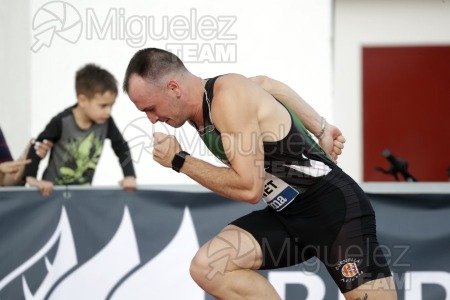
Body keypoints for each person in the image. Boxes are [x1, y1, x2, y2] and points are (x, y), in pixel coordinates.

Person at [123, 48, 397, 300]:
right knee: (209, 266)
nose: (151, 119)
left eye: (150, 108)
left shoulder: (227, 97)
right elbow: (267, 84)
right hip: (288, 218)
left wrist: (180, 160)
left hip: (335, 212)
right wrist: (321, 127)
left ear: (173, 88)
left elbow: (249, 188)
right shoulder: (211, 100)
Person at [24, 64, 137, 196]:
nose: (108, 111)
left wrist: (130, 175)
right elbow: (38, 146)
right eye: (103, 105)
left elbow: (121, 146)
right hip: (51, 193)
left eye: (111, 105)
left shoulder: (106, 122)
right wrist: (31, 179)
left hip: (82, 194)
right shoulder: (61, 122)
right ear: (82, 100)